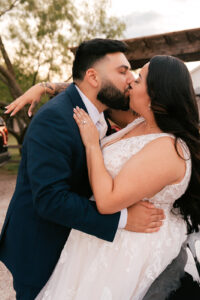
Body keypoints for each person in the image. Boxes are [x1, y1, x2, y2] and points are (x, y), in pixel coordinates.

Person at [0, 38, 165, 300]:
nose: (130, 79)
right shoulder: (54, 119)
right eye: (122, 71)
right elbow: (50, 200)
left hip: (78, 246)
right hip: (41, 247)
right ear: (93, 77)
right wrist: (123, 219)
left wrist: (44, 86)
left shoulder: (102, 110)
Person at [33, 55, 200, 300]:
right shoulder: (139, 121)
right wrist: (43, 87)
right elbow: (94, 90)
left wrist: (92, 145)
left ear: (155, 94)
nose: (131, 80)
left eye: (139, 78)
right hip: (101, 240)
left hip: (129, 250)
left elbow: (108, 200)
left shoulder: (168, 148)